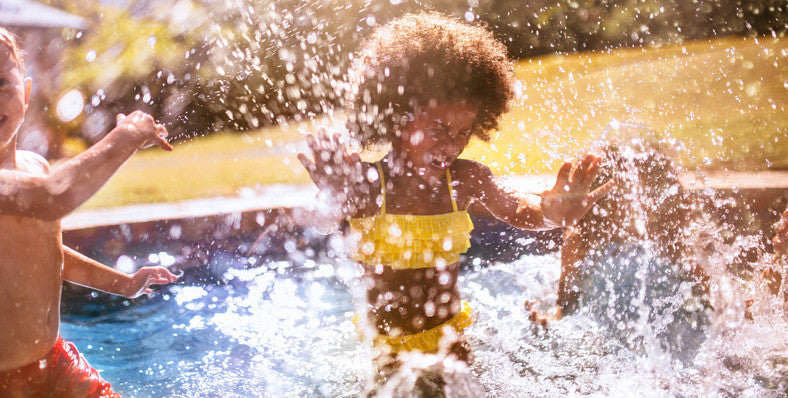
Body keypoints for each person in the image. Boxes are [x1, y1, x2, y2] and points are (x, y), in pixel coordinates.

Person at [297, 13, 613, 369]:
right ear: (397, 115)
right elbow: (321, 223)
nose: (452, 144)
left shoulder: (465, 179)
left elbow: (519, 209)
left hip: (450, 340)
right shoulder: (370, 184)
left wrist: (552, 214)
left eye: (463, 132)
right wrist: (334, 194)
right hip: (385, 350)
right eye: (439, 128)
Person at [0, 18, 179, 397]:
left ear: (25, 91)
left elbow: (46, 253)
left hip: (54, 363)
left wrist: (125, 285)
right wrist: (126, 136)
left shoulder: (35, 166)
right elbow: (54, 196)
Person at [528, 141, 711, 359]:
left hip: (669, 345)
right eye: (626, 193)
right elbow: (567, 307)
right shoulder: (580, 242)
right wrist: (548, 322)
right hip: (602, 348)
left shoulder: (676, 244)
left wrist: (740, 309)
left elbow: (711, 304)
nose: (636, 203)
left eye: (643, 193)